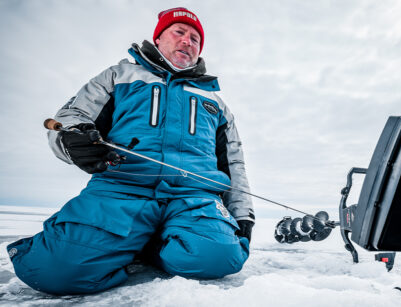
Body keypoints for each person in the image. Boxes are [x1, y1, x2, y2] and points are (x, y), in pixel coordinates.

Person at [6, 7, 254, 295]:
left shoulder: (216, 102)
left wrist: (243, 215)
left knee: (219, 258)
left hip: (194, 198)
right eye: (179, 32)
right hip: (120, 189)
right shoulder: (118, 76)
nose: (188, 41)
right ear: (158, 38)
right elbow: (71, 117)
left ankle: (151, 245)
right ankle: (125, 240)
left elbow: (234, 162)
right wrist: (74, 141)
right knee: (53, 272)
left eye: (195, 38)